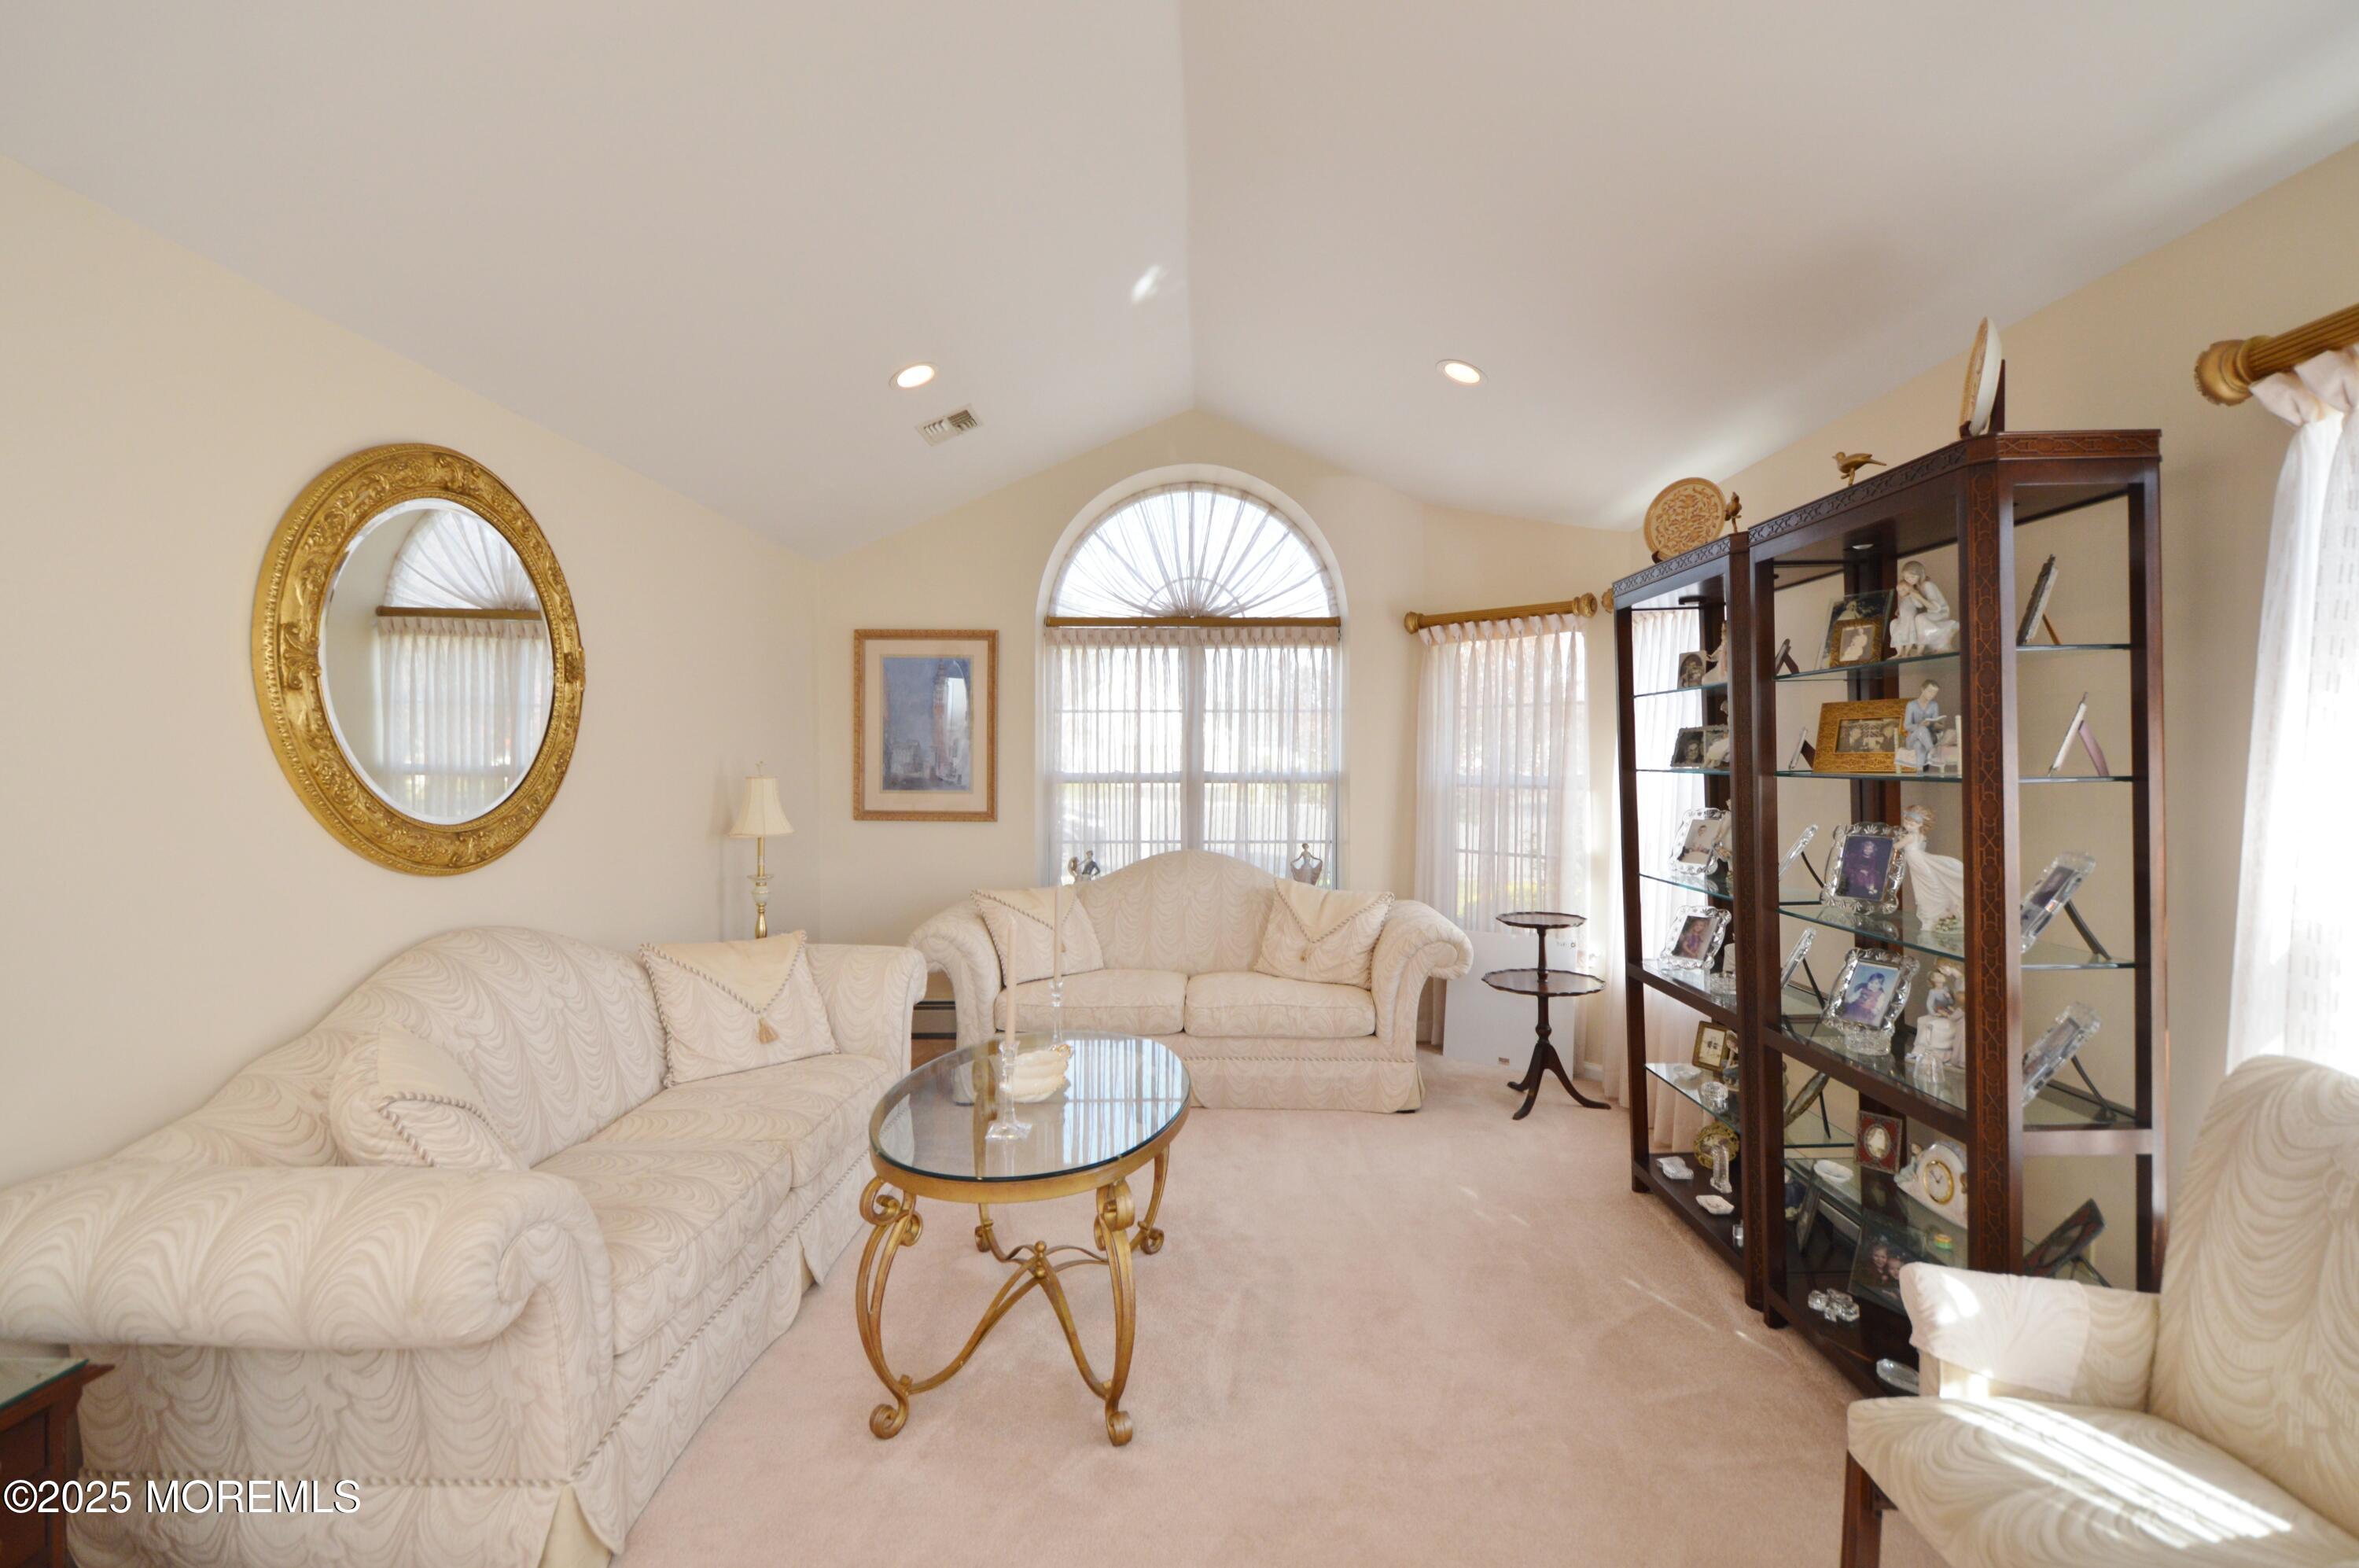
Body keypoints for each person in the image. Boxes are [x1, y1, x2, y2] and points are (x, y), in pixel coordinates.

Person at [1889, 560, 1958, 654]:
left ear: (1920, 575)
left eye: (1912, 577)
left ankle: (1920, 650)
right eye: (1906, 578)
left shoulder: (1928, 585)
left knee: (1920, 618)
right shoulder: (1914, 587)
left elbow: (1935, 608)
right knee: (1899, 622)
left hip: (1939, 613)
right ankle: (1902, 651)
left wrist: (1919, 597)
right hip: (1927, 613)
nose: (1909, 580)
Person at [1902, 680, 1941, 772]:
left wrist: (1932, 725)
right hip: (1913, 738)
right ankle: (1932, 750)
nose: (1932, 695)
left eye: (1935, 693)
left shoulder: (1934, 705)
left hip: (1928, 739)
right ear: (1922, 689)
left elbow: (1936, 725)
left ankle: (1919, 771)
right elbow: (1906, 726)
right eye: (1930, 691)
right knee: (1921, 729)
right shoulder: (1911, 705)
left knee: (1919, 744)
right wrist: (1919, 726)